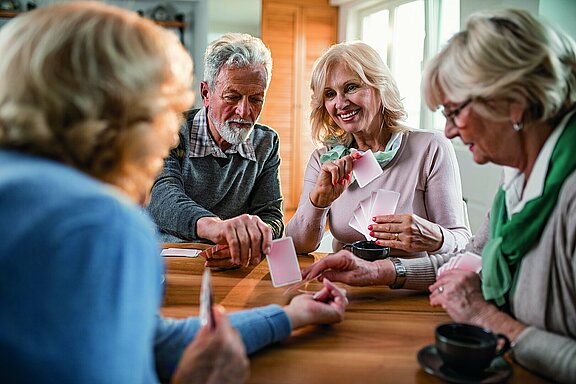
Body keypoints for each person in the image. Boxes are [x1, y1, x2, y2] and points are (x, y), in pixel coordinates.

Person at [0, 3, 348, 383]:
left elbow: (150, 340)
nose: (168, 131)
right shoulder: (99, 224)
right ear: (112, 110)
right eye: (162, 109)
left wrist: (289, 316)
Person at [303, 8, 576, 383]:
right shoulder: (513, 177)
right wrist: (380, 271)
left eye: (455, 111)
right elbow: (470, 259)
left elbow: (461, 252)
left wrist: (488, 318)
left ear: (513, 101)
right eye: (330, 94)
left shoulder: (568, 196)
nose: (448, 131)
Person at [285, 41, 471, 258]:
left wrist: (434, 236)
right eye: (329, 94)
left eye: (351, 87)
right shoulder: (324, 160)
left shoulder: (430, 148)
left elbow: (461, 242)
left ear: (380, 86)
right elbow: (297, 246)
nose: (340, 103)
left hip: (411, 286)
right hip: (346, 283)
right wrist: (319, 202)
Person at [147, 32, 283, 269]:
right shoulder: (170, 130)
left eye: (256, 99)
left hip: (231, 264)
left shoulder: (266, 143)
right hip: (166, 260)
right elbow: (162, 195)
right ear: (206, 94)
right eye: (232, 97)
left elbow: (271, 216)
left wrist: (249, 242)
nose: (244, 111)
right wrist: (218, 228)